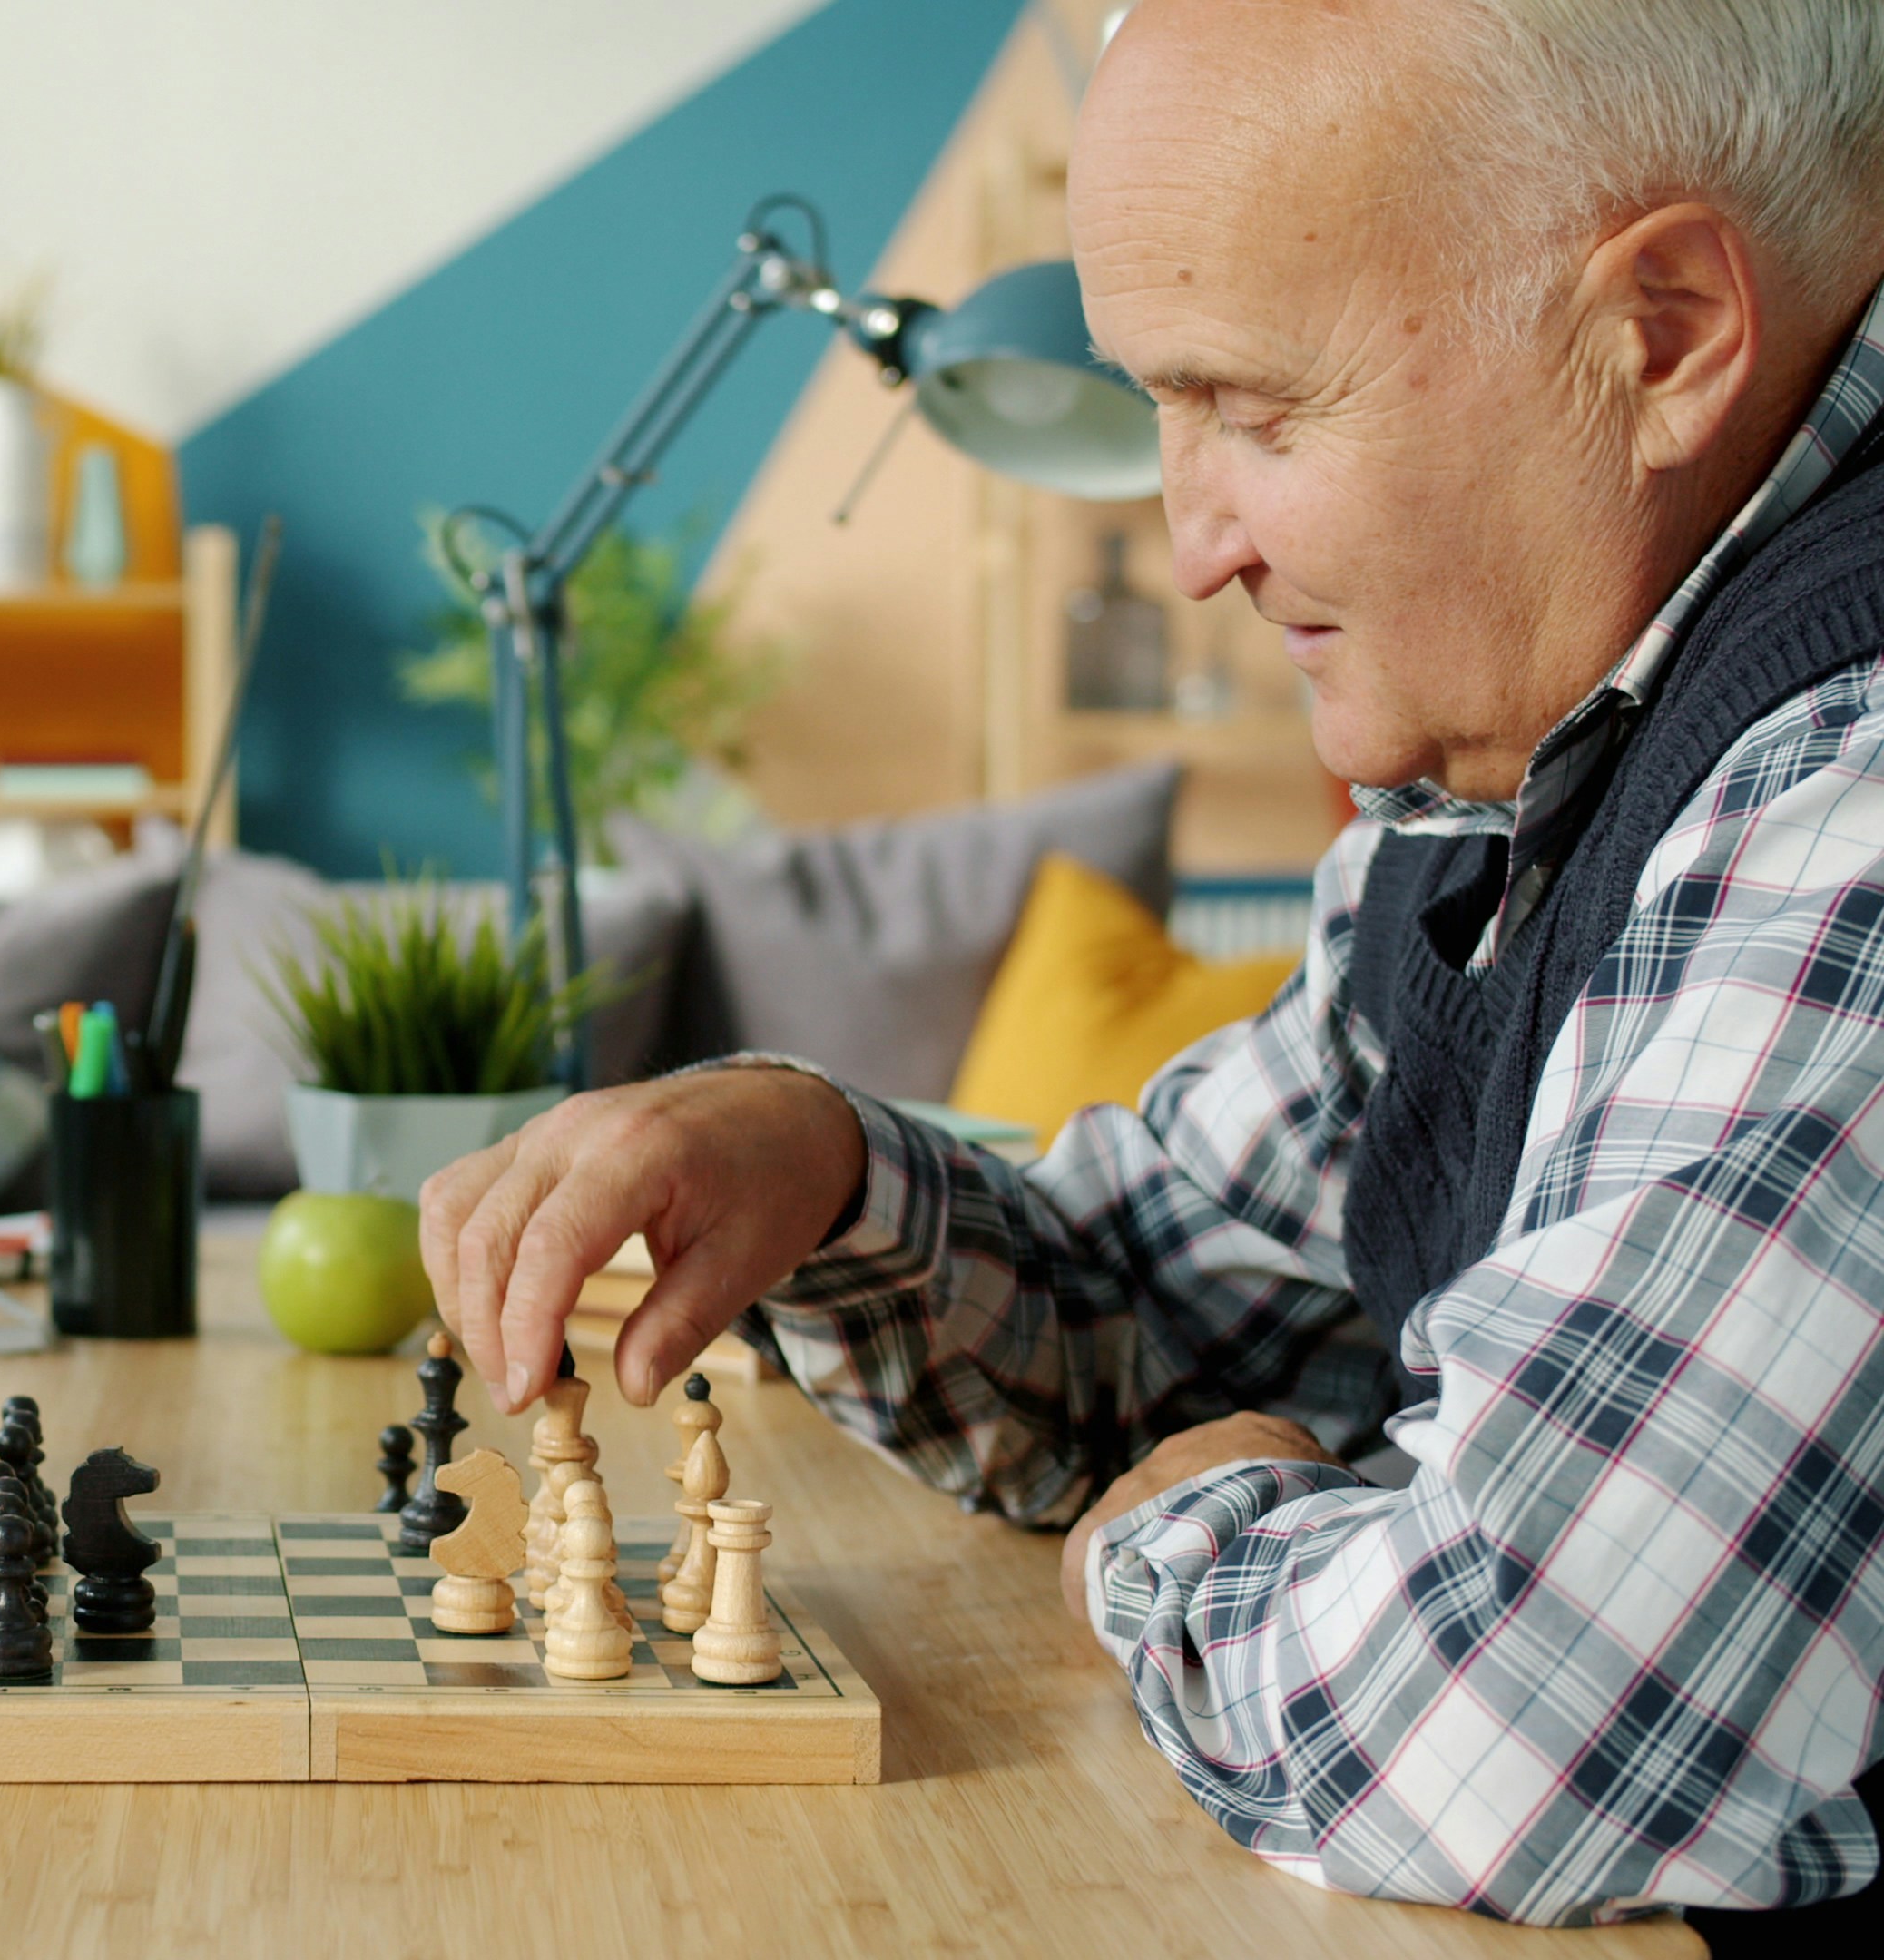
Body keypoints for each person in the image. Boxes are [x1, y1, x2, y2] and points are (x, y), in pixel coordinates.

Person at [422, 0, 1884, 1934]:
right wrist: (819, 1166)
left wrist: (1179, 1534)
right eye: (1157, 407)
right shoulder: (1539, 747)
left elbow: (1498, 1728)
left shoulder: (1848, 786)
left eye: (1255, 412)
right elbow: (1166, 1312)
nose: (1193, 546)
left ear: (1667, 333)